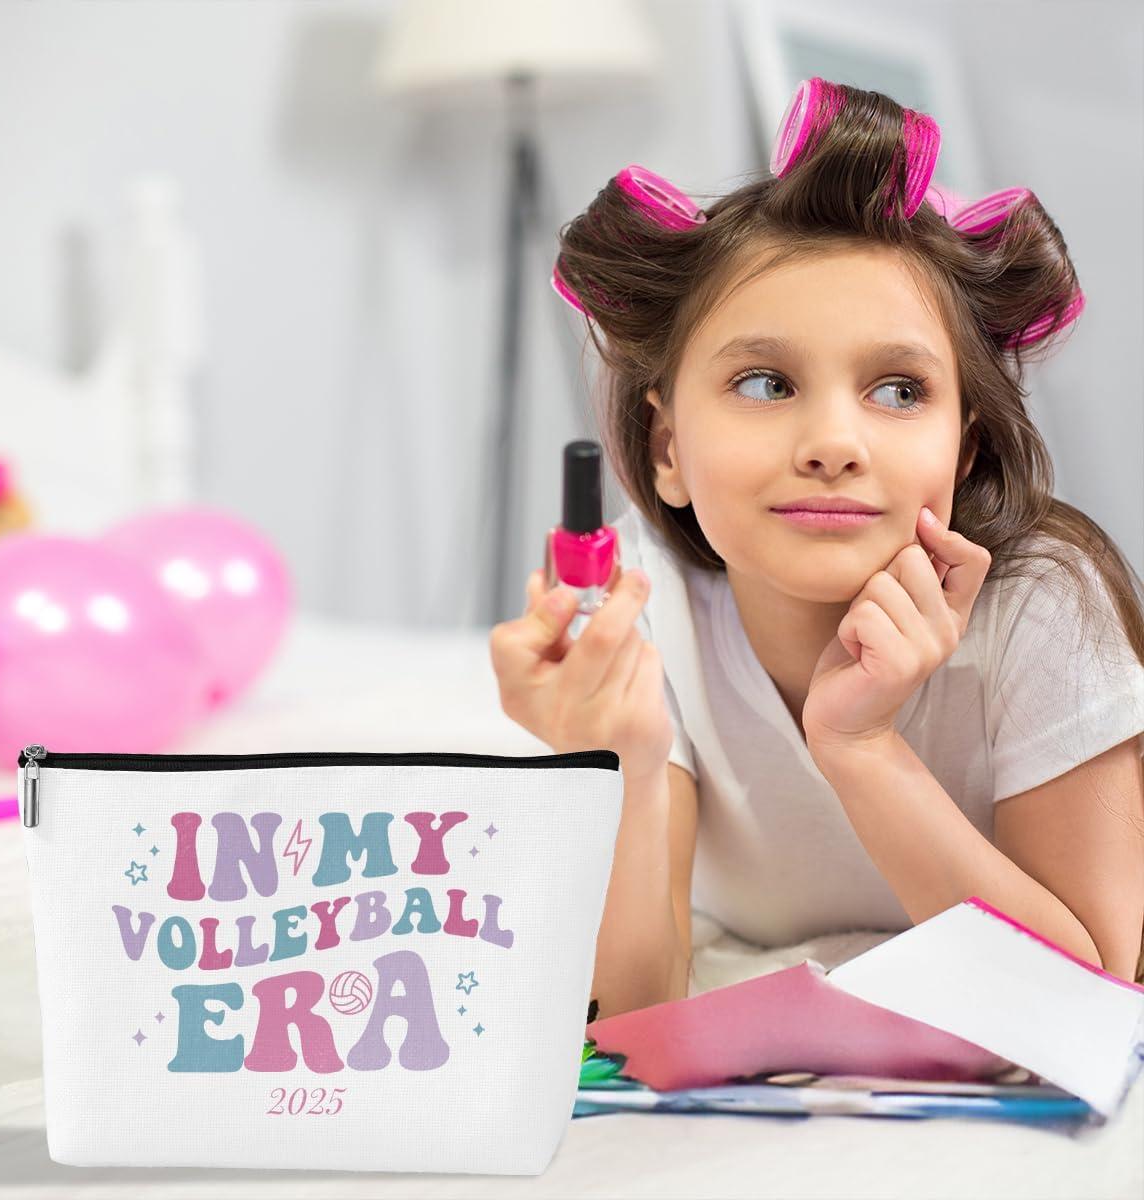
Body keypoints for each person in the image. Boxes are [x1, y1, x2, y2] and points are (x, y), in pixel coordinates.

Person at [488, 78, 1144, 1019]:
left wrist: (861, 746)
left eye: (899, 391)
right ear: (668, 449)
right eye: (765, 384)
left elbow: (1090, 1001)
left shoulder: (1045, 606)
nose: (834, 444)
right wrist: (618, 759)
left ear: (963, 451)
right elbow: (632, 1021)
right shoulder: (639, 606)